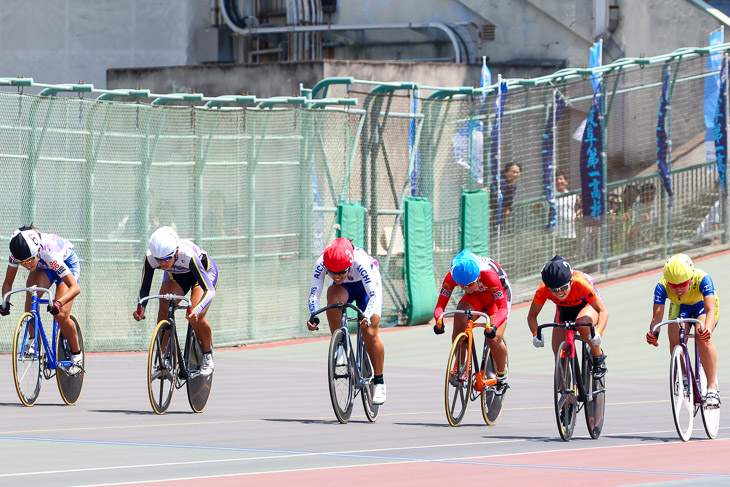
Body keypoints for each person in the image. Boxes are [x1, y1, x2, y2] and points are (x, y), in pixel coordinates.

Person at [307, 237, 386, 405]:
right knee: (333, 299)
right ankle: (341, 346)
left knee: (370, 332)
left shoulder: (360, 261)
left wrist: (366, 315)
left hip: (367, 288)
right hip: (345, 289)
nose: (336, 276)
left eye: (342, 272)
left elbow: (373, 295)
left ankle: (379, 381)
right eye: (332, 272)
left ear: (349, 265)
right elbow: (314, 294)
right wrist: (313, 315)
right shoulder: (321, 262)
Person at [133, 226, 218, 376]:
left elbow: (209, 290)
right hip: (177, 276)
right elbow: (144, 288)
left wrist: (197, 310)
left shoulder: (188, 255)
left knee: (195, 317)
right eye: (159, 260)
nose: (163, 263)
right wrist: (141, 307)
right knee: (164, 306)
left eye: (166, 258)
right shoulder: (150, 258)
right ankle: (165, 357)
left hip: (202, 275)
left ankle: (207, 354)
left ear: (176, 252)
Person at [0, 225, 83, 374]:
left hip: (66, 265)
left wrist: (58, 303)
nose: (26, 265)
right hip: (44, 266)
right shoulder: (17, 254)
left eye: (29, 260)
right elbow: (8, 282)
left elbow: (75, 288)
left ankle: (77, 355)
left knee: (61, 314)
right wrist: (5, 302)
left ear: (37, 251)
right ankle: (32, 341)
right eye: (22, 262)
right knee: (31, 294)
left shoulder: (49, 253)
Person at [433, 249, 512, 394]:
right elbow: (440, 306)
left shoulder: (490, 275)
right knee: (459, 319)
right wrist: (439, 319)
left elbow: (502, 308)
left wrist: (493, 326)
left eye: (469, 284)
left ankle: (502, 374)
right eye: (461, 286)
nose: (465, 288)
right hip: (476, 297)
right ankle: (461, 367)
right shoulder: (452, 275)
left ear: (477, 276)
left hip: (496, 299)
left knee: (493, 338)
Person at [646, 254, 720, 408]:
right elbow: (657, 318)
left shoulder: (703, 279)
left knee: (702, 335)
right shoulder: (662, 286)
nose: (678, 289)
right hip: (680, 307)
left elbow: (710, 310)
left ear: (691, 278)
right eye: (673, 285)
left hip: (701, 306)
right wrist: (654, 333)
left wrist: (708, 330)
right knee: (674, 337)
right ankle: (684, 377)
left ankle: (712, 387)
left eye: (683, 284)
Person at [527, 255, 608, 377]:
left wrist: (599, 332)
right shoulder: (543, 290)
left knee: (582, 324)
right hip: (564, 311)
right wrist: (535, 334)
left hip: (587, 306)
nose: (559, 292)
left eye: (563, 288)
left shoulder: (580, 283)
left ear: (570, 281)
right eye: (554, 290)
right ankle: (566, 394)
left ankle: (598, 356)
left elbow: (603, 311)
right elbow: (532, 316)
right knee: (558, 352)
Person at [491, 163, 522, 229]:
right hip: (493, 214)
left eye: (517, 172)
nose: (515, 175)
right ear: (505, 172)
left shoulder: (513, 184)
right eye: (513, 172)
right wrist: (497, 213)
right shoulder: (501, 183)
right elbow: (495, 199)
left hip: (502, 214)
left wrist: (508, 208)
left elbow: (509, 199)